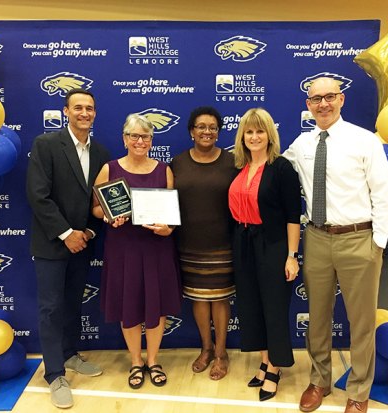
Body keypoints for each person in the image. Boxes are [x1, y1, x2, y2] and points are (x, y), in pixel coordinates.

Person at [283, 77, 388, 413]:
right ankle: (319, 381)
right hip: (316, 238)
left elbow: (384, 193)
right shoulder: (302, 144)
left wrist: (377, 243)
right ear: (308, 105)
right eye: (315, 99)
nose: (323, 104)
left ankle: (359, 393)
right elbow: (271, 169)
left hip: (360, 240)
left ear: (341, 99)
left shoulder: (365, 141)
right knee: (317, 317)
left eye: (329, 97)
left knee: (361, 323)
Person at [26, 88, 110, 409]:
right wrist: (65, 233)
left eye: (89, 108)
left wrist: (88, 230)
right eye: (78, 108)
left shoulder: (101, 152)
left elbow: (100, 199)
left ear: (95, 113)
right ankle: (55, 373)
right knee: (50, 308)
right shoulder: (46, 145)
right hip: (52, 243)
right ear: (66, 112)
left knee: (74, 301)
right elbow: (38, 196)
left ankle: (70, 353)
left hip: (83, 243)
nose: (84, 113)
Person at [92, 113, 181, 390]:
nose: (140, 141)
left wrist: (168, 230)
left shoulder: (164, 169)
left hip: (157, 247)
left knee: (157, 306)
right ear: (125, 139)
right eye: (134, 136)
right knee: (128, 304)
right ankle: (135, 361)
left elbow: (171, 214)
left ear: (152, 141)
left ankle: (153, 360)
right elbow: (95, 207)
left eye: (145, 137)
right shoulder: (109, 169)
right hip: (123, 248)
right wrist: (107, 217)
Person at [228, 107, 302, 401]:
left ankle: (275, 367)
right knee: (250, 305)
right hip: (243, 241)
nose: (254, 136)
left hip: (273, 245)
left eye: (260, 131)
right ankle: (263, 359)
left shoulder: (281, 168)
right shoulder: (239, 167)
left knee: (273, 306)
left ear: (269, 135)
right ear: (242, 136)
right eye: (249, 131)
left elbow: (293, 216)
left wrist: (291, 255)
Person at [171, 106, 237, 381]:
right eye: (201, 126)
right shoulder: (177, 163)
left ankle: (221, 353)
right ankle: (206, 348)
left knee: (220, 300)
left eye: (212, 127)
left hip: (224, 243)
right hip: (189, 244)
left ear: (218, 132)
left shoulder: (233, 161)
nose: (207, 131)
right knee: (198, 298)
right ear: (191, 132)